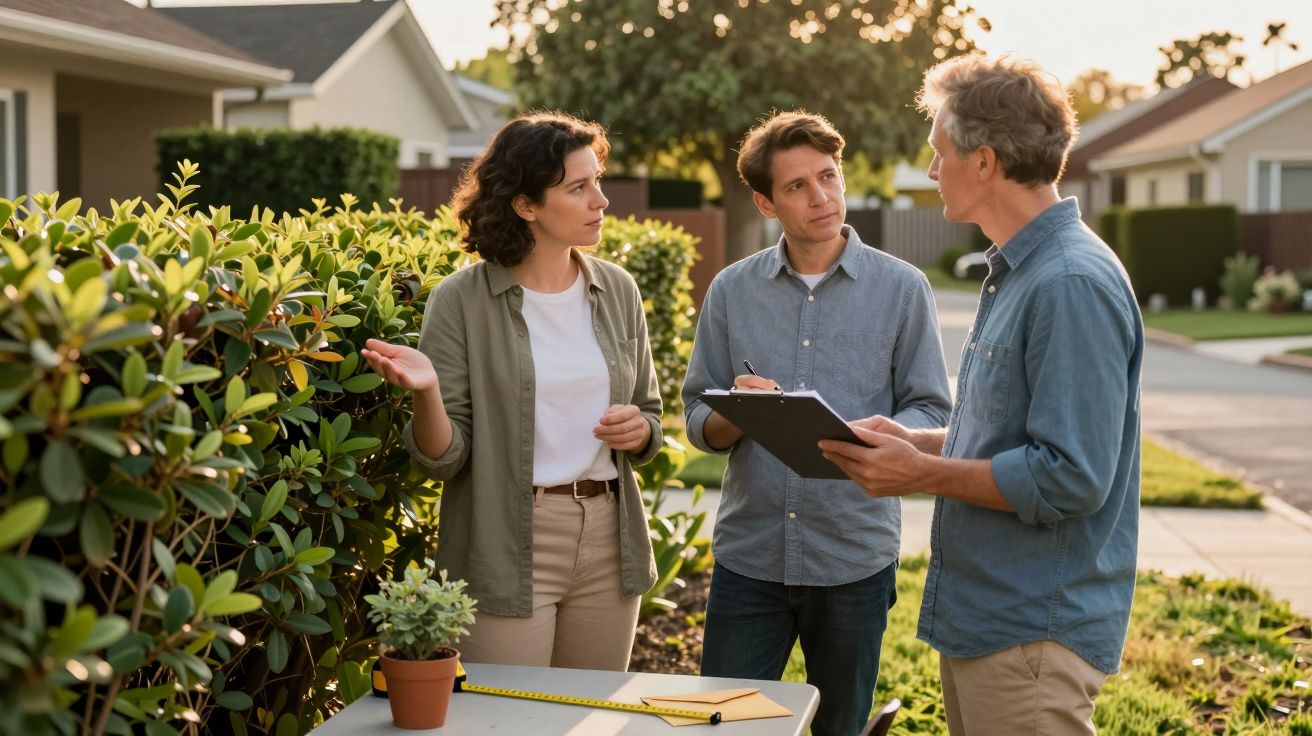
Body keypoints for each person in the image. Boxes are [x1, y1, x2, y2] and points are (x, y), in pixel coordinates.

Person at [819, 56, 1144, 735]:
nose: (933, 169)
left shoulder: (1066, 282)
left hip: (1032, 634)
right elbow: (1013, 437)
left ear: (985, 162)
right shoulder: (1019, 271)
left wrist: (922, 473)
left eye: (940, 153)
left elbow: (1070, 476)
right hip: (993, 621)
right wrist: (919, 442)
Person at [681, 111, 952, 736]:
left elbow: (931, 409)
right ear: (765, 202)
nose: (820, 196)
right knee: (723, 727)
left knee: (841, 727)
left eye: (828, 176)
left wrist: (880, 432)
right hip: (750, 559)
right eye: (797, 186)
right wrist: (738, 413)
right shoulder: (731, 291)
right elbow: (698, 417)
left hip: (853, 555)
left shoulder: (903, 288)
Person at [362, 112, 662, 671]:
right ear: (525, 205)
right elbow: (444, 460)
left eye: (598, 180)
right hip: (507, 540)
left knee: (587, 721)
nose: (601, 200)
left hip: (609, 537)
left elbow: (651, 417)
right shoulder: (459, 301)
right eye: (579, 187)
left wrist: (641, 429)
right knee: (509, 721)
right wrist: (426, 394)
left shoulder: (618, 289)